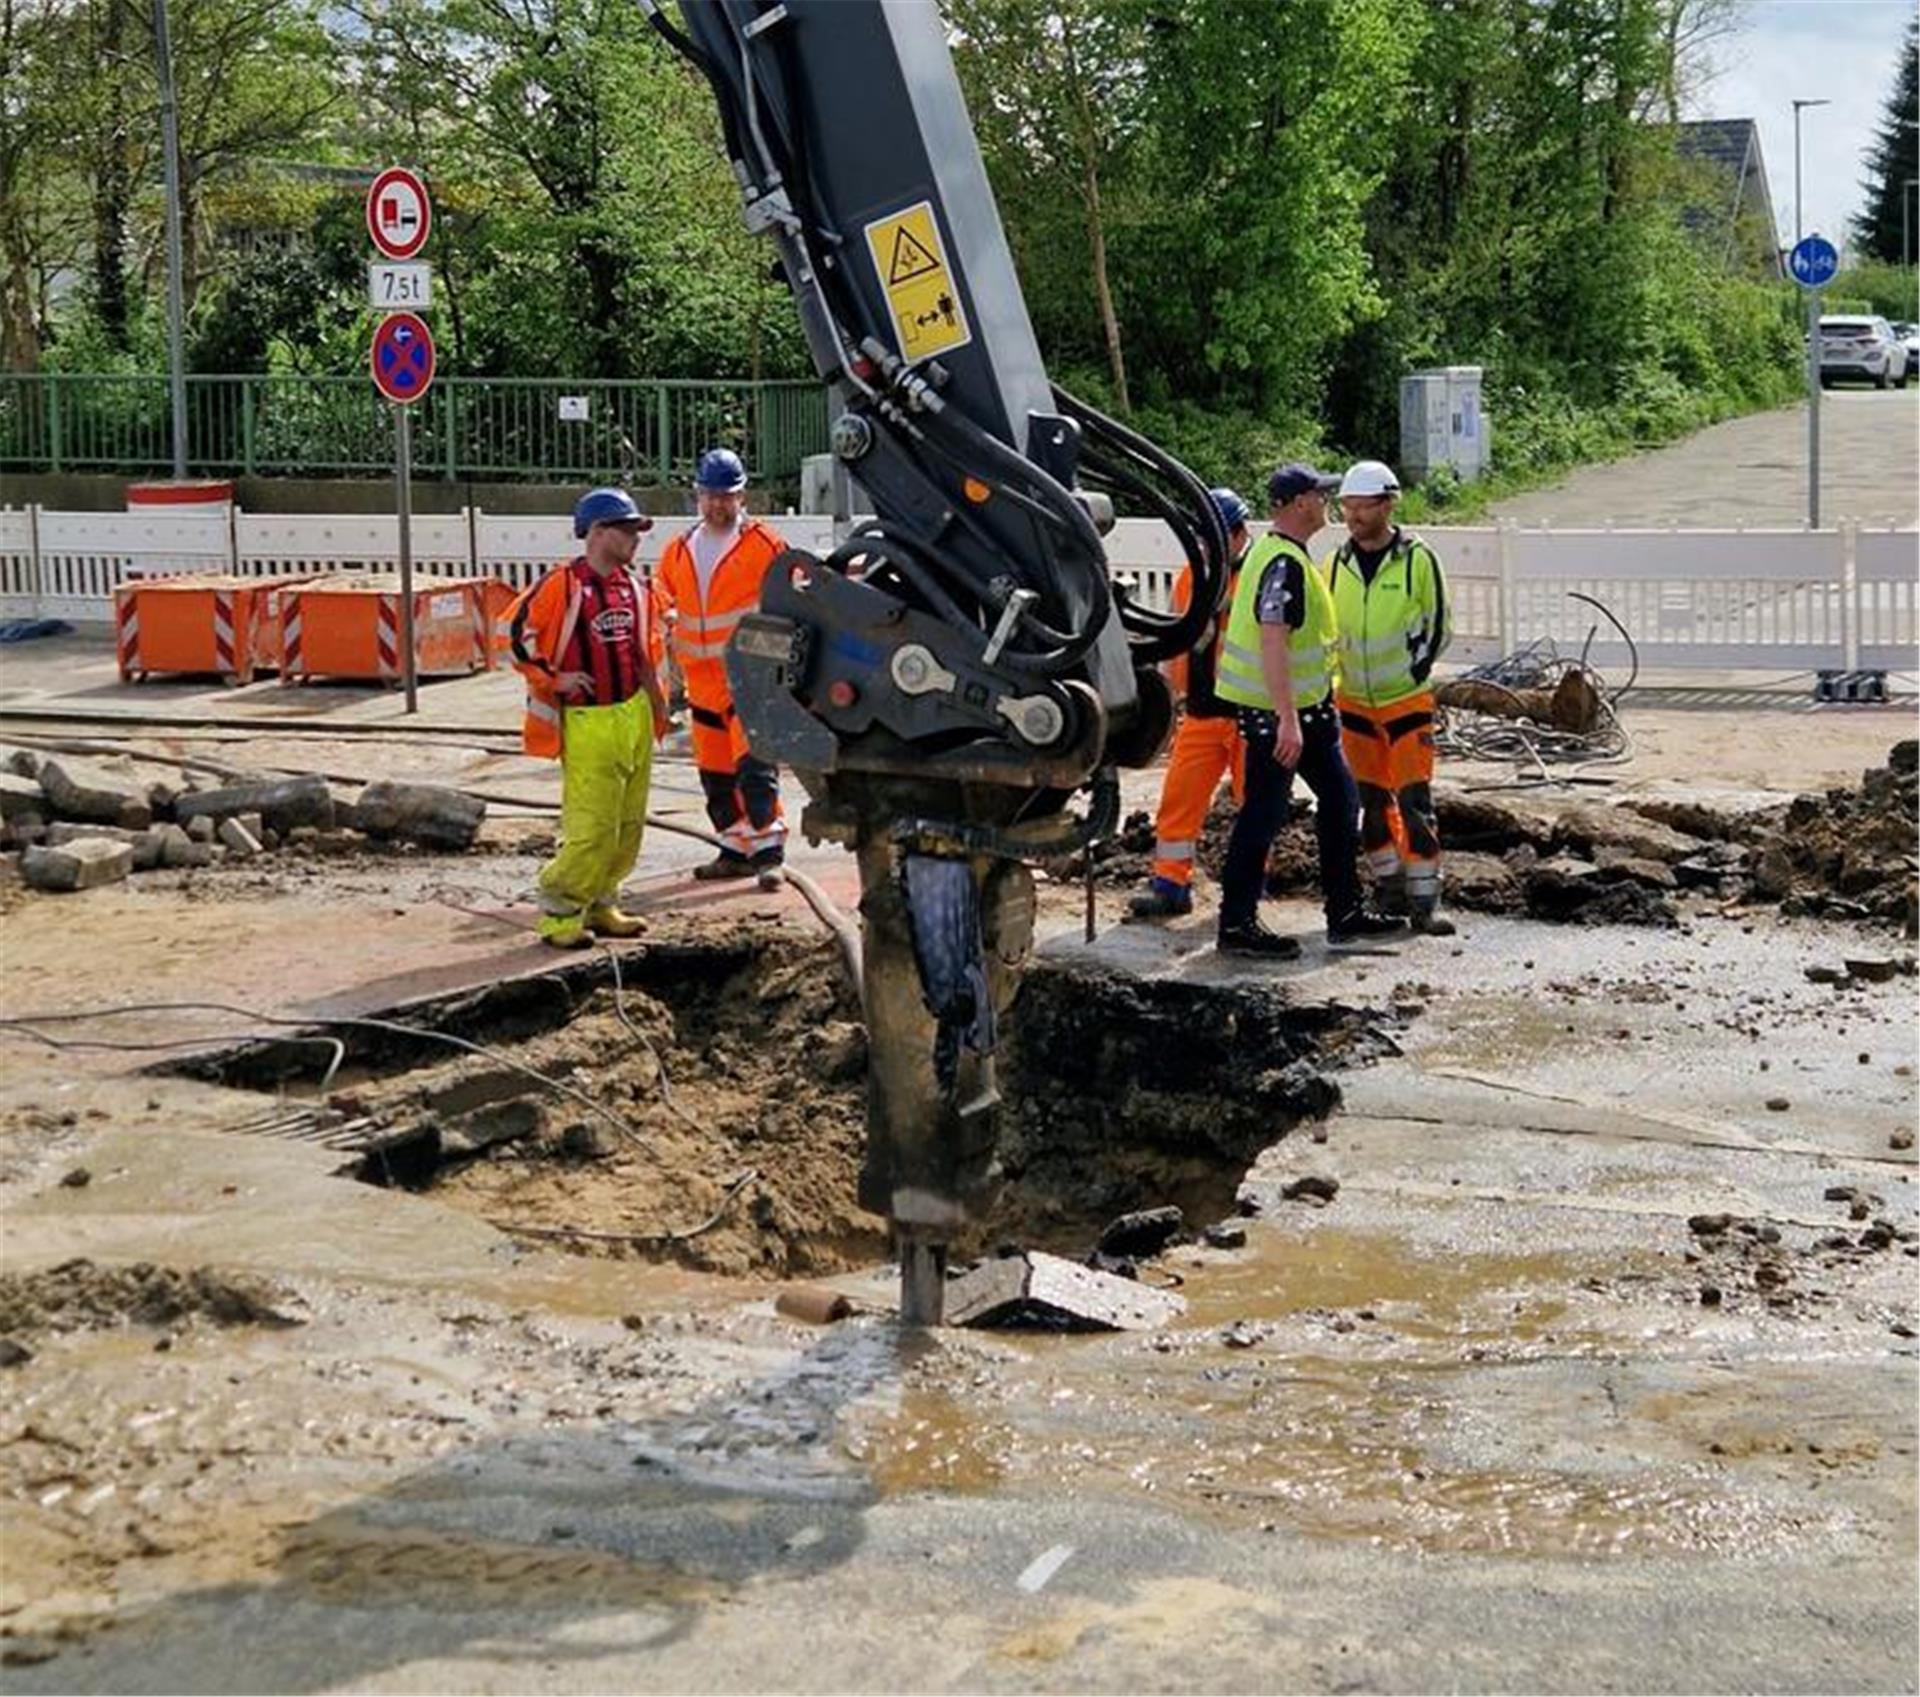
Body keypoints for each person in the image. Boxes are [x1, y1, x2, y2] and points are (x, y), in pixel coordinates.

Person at [1212, 463, 1404, 958]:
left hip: (1308, 716)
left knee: (1341, 803)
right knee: (1264, 814)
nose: (1327, 504)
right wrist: (1287, 719)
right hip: (1282, 720)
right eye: (1320, 495)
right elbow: (1274, 639)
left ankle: (1344, 912)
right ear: (1300, 503)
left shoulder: (1282, 555)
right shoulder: (1282, 563)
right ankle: (1236, 925)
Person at [507, 487, 668, 950]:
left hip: (632, 715)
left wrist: (659, 707)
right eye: (628, 529)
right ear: (597, 532)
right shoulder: (562, 585)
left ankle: (602, 903)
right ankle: (560, 914)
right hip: (588, 722)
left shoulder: (635, 587)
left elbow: (645, 650)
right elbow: (514, 633)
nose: (637, 538)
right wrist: (552, 679)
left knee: (627, 824)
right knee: (592, 826)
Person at [1327, 458, 1456, 935]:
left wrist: (1415, 669)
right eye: (1348, 506)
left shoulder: (1419, 559)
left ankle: (1425, 900)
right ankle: (1390, 888)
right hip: (1355, 702)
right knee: (1372, 803)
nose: (1353, 515)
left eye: (1362, 506)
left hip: (1405, 701)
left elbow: (1439, 622)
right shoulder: (1336, 564)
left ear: (1387, 505)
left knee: (1414, 802)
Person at [654, 448, 790, 891]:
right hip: (701, 681)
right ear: (698, 495)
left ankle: (769, 853)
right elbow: (663, 597)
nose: (718, 505)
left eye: (726, 497)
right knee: (714, 773)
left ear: (741, 496)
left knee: (755, 767)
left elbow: (788, 602)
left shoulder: (764, 545)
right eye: (711, 496)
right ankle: (734, 849)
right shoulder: (679, 550)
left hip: (748, 678)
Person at [1128, 487, 1254, 920]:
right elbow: (1177, 644)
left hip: (1250, 716)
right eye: (1201, 541)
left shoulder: (1261, 574)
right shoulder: (1191, 577)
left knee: (1255, 807)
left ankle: (1249, 893)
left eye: (1212, 539)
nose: (1205, 548)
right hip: (1202, 712)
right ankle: (1170, 885)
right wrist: (1169, 699)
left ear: (1238, 534)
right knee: (1179, 801)